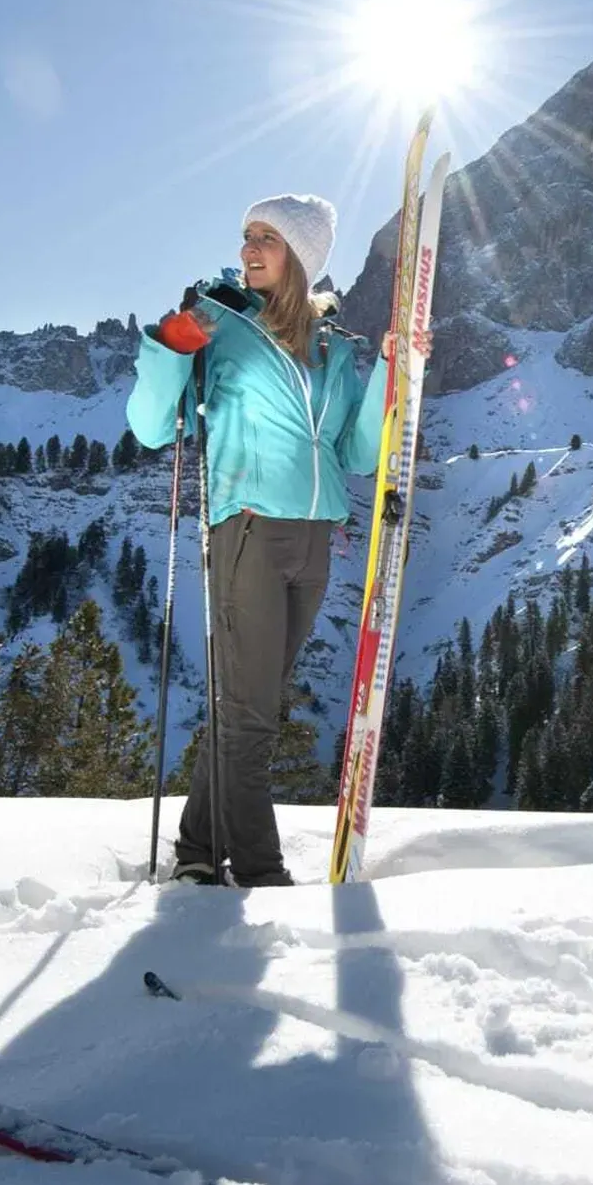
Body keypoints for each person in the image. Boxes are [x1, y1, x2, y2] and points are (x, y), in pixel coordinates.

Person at [127, 193, 388, 889]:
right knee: (251, 718)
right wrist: (171, 346)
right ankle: (259, 871)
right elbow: (151, 427)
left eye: (266, 237)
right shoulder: (220, 321)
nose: (248, 248)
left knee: (248, 707)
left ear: (301, 255)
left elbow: (358, 453)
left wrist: (393, 372)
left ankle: (196, 850)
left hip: (314, 541)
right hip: (246, 530)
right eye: (247, 234)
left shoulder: (333, 348)